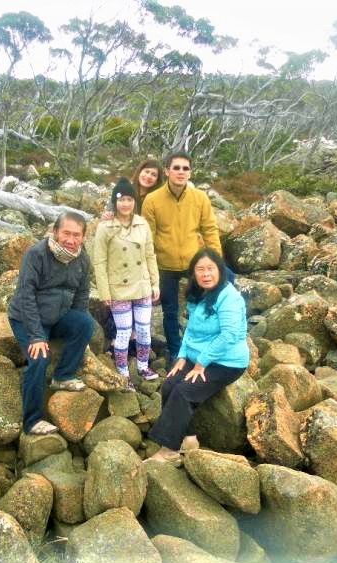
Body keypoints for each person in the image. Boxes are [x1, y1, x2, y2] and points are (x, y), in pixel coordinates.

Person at [147, 248, 249, 465]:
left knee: (184, 392)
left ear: (220, 270)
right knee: (169, 385)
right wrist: (183, 356)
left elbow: (229, 335)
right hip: (198, 356)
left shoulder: (228, 297)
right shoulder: (197, 293)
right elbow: (191, 330)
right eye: (200, 269)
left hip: (226, 361)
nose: (206, 274)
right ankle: (188, 439)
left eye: (210, 269)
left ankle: (169, 451)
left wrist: (201, 363)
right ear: (194, 273)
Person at [8, 212, 95, 436]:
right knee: (39, 358)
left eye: (76, 235)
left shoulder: (82, 258)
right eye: (66, 233)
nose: (71, 239)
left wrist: (79, 333)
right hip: (27, 317)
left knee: (85, 324)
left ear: (83, 237)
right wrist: (37, 336)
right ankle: (32, 421)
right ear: (55, 232)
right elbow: (26, 296)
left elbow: (82, 295)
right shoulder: (36, 254)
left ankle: (63, 376)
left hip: (58, 316)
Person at [142, 151, 222, 366]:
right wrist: (149, 272)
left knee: (203, 305)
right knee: (170, 312)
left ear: (190, 172)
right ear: (167, 171)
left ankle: (209, 347)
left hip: (193, 263)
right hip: (165, 265)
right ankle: (177, 354)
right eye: (176, 168)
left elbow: (210, 230)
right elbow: (147, 238)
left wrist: (217, 262)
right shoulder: (152, 200)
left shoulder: (200, 198)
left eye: (185, 168)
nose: (181, 172)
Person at [93, 177, 160, 389]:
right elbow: (99, 261)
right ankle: (123, 373)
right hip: (118, 288)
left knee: (143, 329)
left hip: (142, 287)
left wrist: (155, 284)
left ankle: (142, 366)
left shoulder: (143, 224)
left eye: (130, 199)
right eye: (121, 199)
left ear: (134, 202)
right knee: (123, 332)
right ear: (115, 202)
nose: (125, 204)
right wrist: (105, 292)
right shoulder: (105, 227)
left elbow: (150, 255)